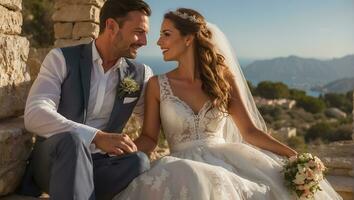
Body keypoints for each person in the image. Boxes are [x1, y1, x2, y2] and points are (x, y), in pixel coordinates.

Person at [114, 8, 342, 199]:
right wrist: (118, 153)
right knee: (190, 175)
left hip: (228, 161)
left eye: (166, 34)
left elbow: (250, 132)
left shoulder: (222, 79)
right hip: (178, 166)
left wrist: (296, 156)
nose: (158, 41)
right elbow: (149, 139)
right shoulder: (156, 84)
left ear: (188, 38)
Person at [20, 0, 153, 199]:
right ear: (111, 26)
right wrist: (97, 137)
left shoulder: (141, 74)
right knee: (74, 142)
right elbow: (34, 114)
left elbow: (152, 128)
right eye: (138, 32)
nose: (144, 41)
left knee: (139, 161)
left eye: (145, 33)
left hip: (101, 166)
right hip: (55, 161)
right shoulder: (61, 59)